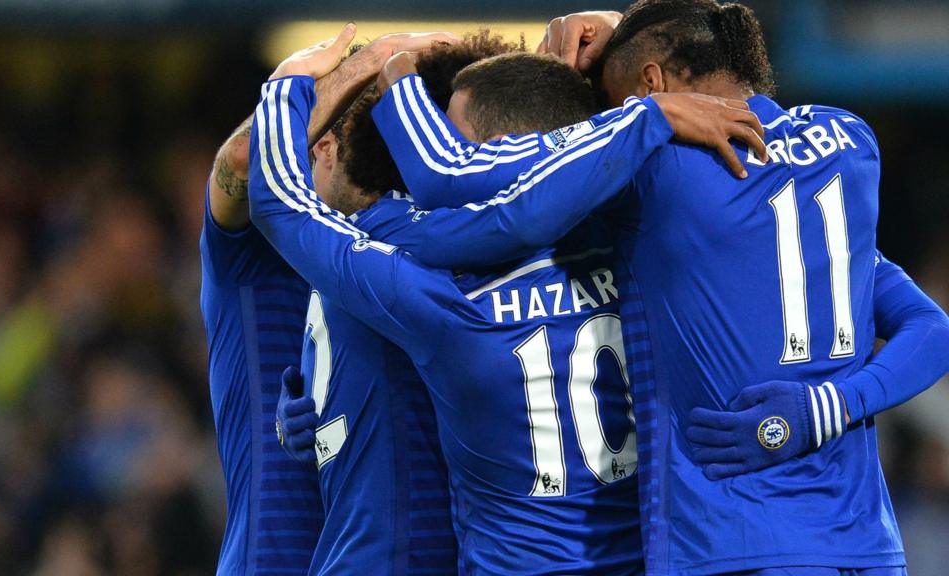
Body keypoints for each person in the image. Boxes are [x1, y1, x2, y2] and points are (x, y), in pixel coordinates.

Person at [358, 1, 949, 574]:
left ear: (649, 84)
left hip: (731, 542)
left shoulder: (656, 167)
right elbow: (930, 330)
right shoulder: (847, 143)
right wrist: (832, 405)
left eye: (612, 106)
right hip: (864, 539)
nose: (610, 124)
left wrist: (398, 68)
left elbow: (451, 178)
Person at [247, 23, 766, 575]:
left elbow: (278, 204)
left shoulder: (437, 289)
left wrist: (288, 82)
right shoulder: (650, 244)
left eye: (448, 137)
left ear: (492, 155)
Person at [198, 30, 455, 575]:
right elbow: (244, 162)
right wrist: (362, 69)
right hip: (276, 559)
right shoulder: (251, 255)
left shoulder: (416, 257)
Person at [272, 32, 530, 575]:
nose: (312, 151)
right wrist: (315, 417)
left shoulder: (412, 245)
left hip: (412, 551)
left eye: (328, 134)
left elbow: (258, 177)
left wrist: (289, 81)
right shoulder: (349, 242)